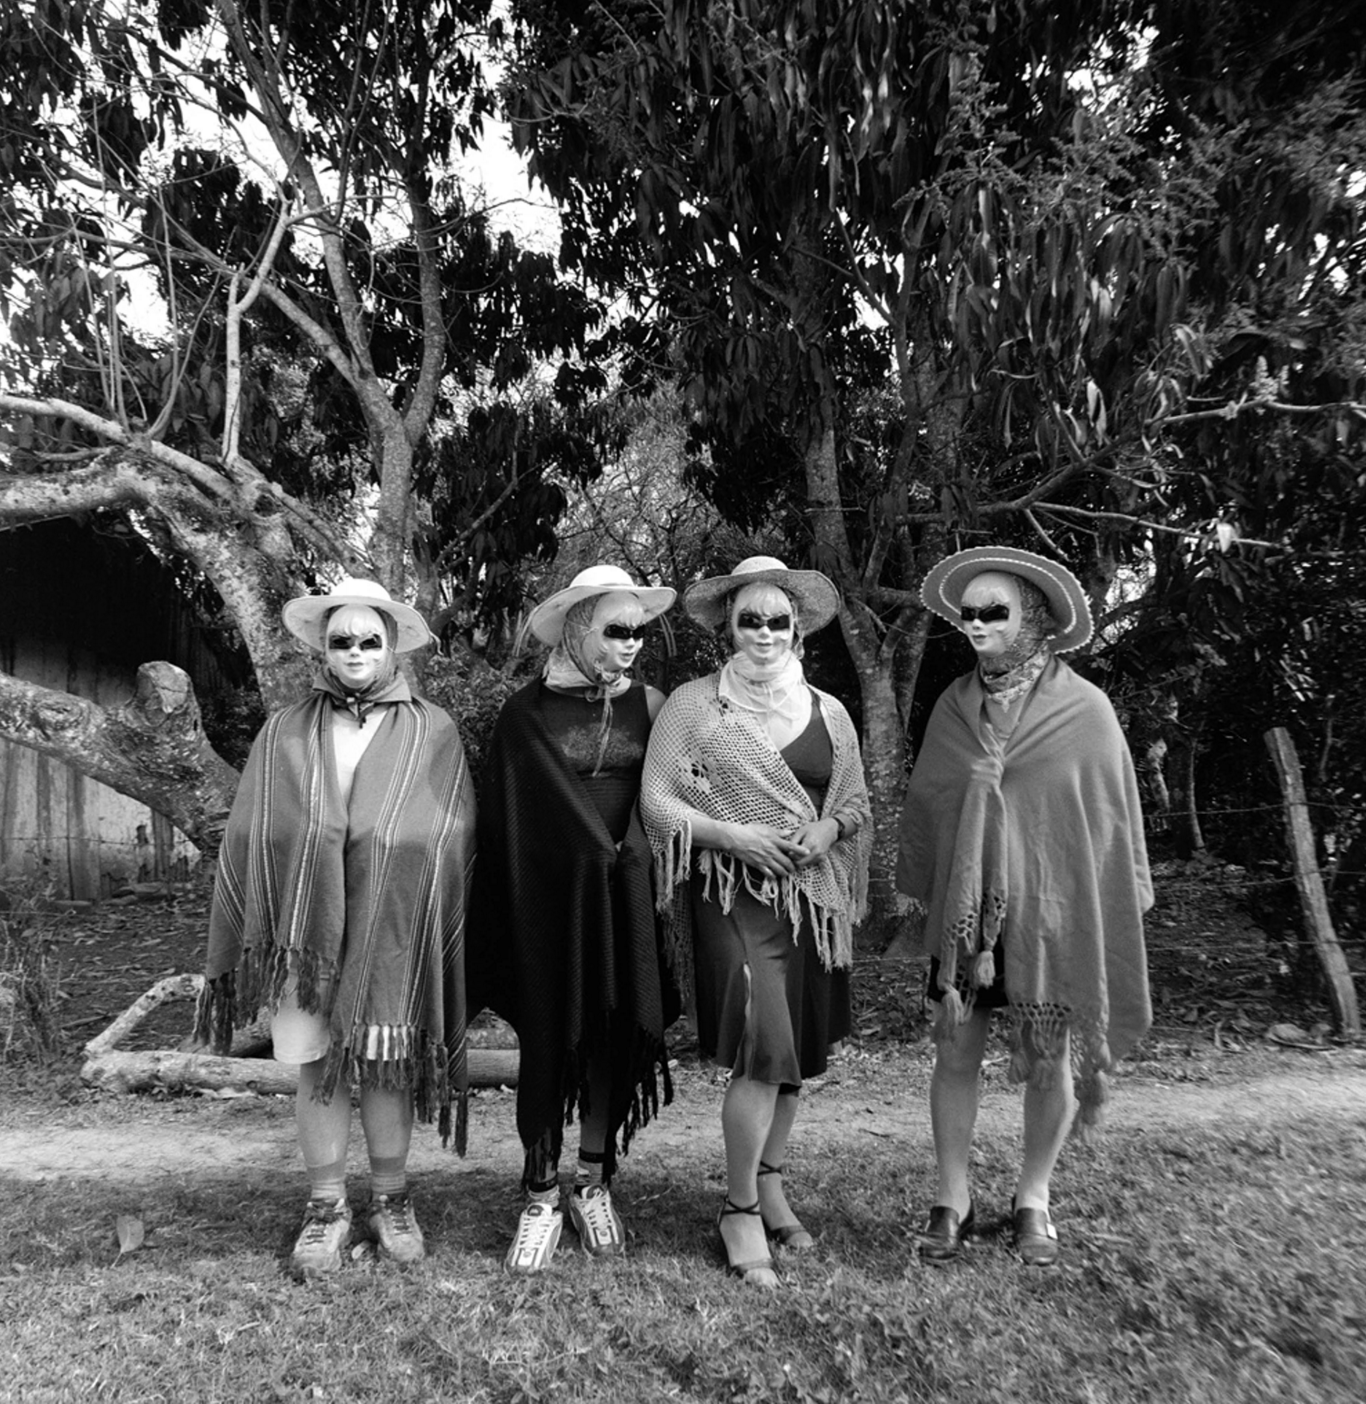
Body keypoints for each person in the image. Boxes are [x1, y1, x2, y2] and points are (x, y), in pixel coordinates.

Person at [196, 578, 475, 1280]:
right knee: (317, 1063)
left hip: (392, 927)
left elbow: (452, 830)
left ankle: (391, 1200)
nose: (355, 652)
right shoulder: (285, 730)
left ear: (392, 647)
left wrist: (386, 848)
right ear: (322, 648)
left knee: (385, 1063)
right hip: (306, 934)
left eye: (369, 641)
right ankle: (326, 1207)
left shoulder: (432, 730)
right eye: (341, 640)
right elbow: (252, 827)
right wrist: (312, 845)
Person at [895, 546, 1152, 1268]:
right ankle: (952, 1199)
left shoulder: (1086, 710)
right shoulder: (954, 707)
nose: (975, 623)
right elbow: (929, 800)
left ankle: (1033, 1198)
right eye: (967, 613)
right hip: (968, 912)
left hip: (1053, 908)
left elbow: (1109, 819)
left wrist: (1114, 894)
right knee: (955, 1051)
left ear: (1033, 617)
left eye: (993, 612)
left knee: (1050, 1057)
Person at [641, 556, 871, 1288]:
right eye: (751, 620)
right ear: (729, 628)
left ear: (797, 628)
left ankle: (770, 1185)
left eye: (778, 620)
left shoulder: (830, 712)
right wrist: (733, 836)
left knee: (795, 1050)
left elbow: (855, 803)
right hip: (731, 895)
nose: (765, 633)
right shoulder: (695, 706)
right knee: (762, 1042)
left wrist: (829, 829)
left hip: (811, 902)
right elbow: (657, 803)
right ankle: (738, 1209)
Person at [469, 565, 679, 1274]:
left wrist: (632, 856)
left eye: (639, 631)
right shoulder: (524, 713)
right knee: (549, 1037)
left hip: (628, 894)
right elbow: (508, 817)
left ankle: (593, 1179)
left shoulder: (653, 705)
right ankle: (538, 1194)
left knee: (612, 1034)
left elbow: (668, 792)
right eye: (617, 630)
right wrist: (583, 850)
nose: (632, 643)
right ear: (579, 631)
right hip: (550, 901)